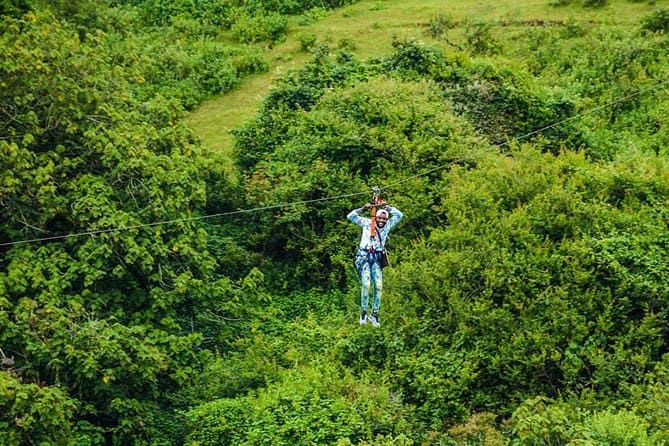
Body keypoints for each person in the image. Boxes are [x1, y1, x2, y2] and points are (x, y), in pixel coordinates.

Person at [347, 202, 403, 327]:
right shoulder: (367, 223)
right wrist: (362, 209)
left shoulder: (387, 225)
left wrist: (386, 207)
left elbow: (399, 215)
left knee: (378, 286)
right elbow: (350, 216)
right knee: (366, 284)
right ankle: (363, 313)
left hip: (377, 258)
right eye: (380, 218)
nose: (382, 220)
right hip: (365, 256)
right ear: (376, 217)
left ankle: (375, 314)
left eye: (384, 218)